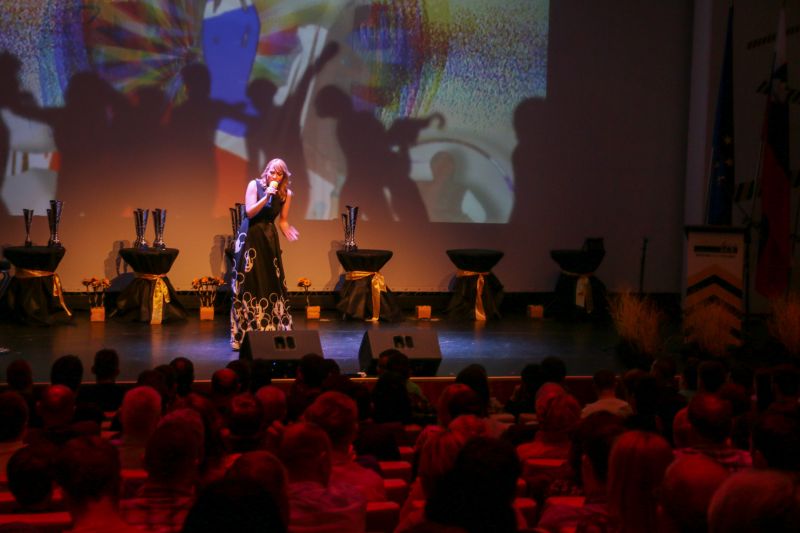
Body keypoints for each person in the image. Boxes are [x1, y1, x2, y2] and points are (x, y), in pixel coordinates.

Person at [230, 158, 299, 350]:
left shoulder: (286, 194)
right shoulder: (254, 185)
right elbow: (250, 212)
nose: (275, 176)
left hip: (268, 239)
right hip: (250, 236)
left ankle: (271, 330)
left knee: (271, 282)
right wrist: (266, 196)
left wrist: (287, 229)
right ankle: (241, 335)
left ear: (283, 177)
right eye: (272, 172)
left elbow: (282, 220)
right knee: (247, 283)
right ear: (266, 172)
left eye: (279, 174)